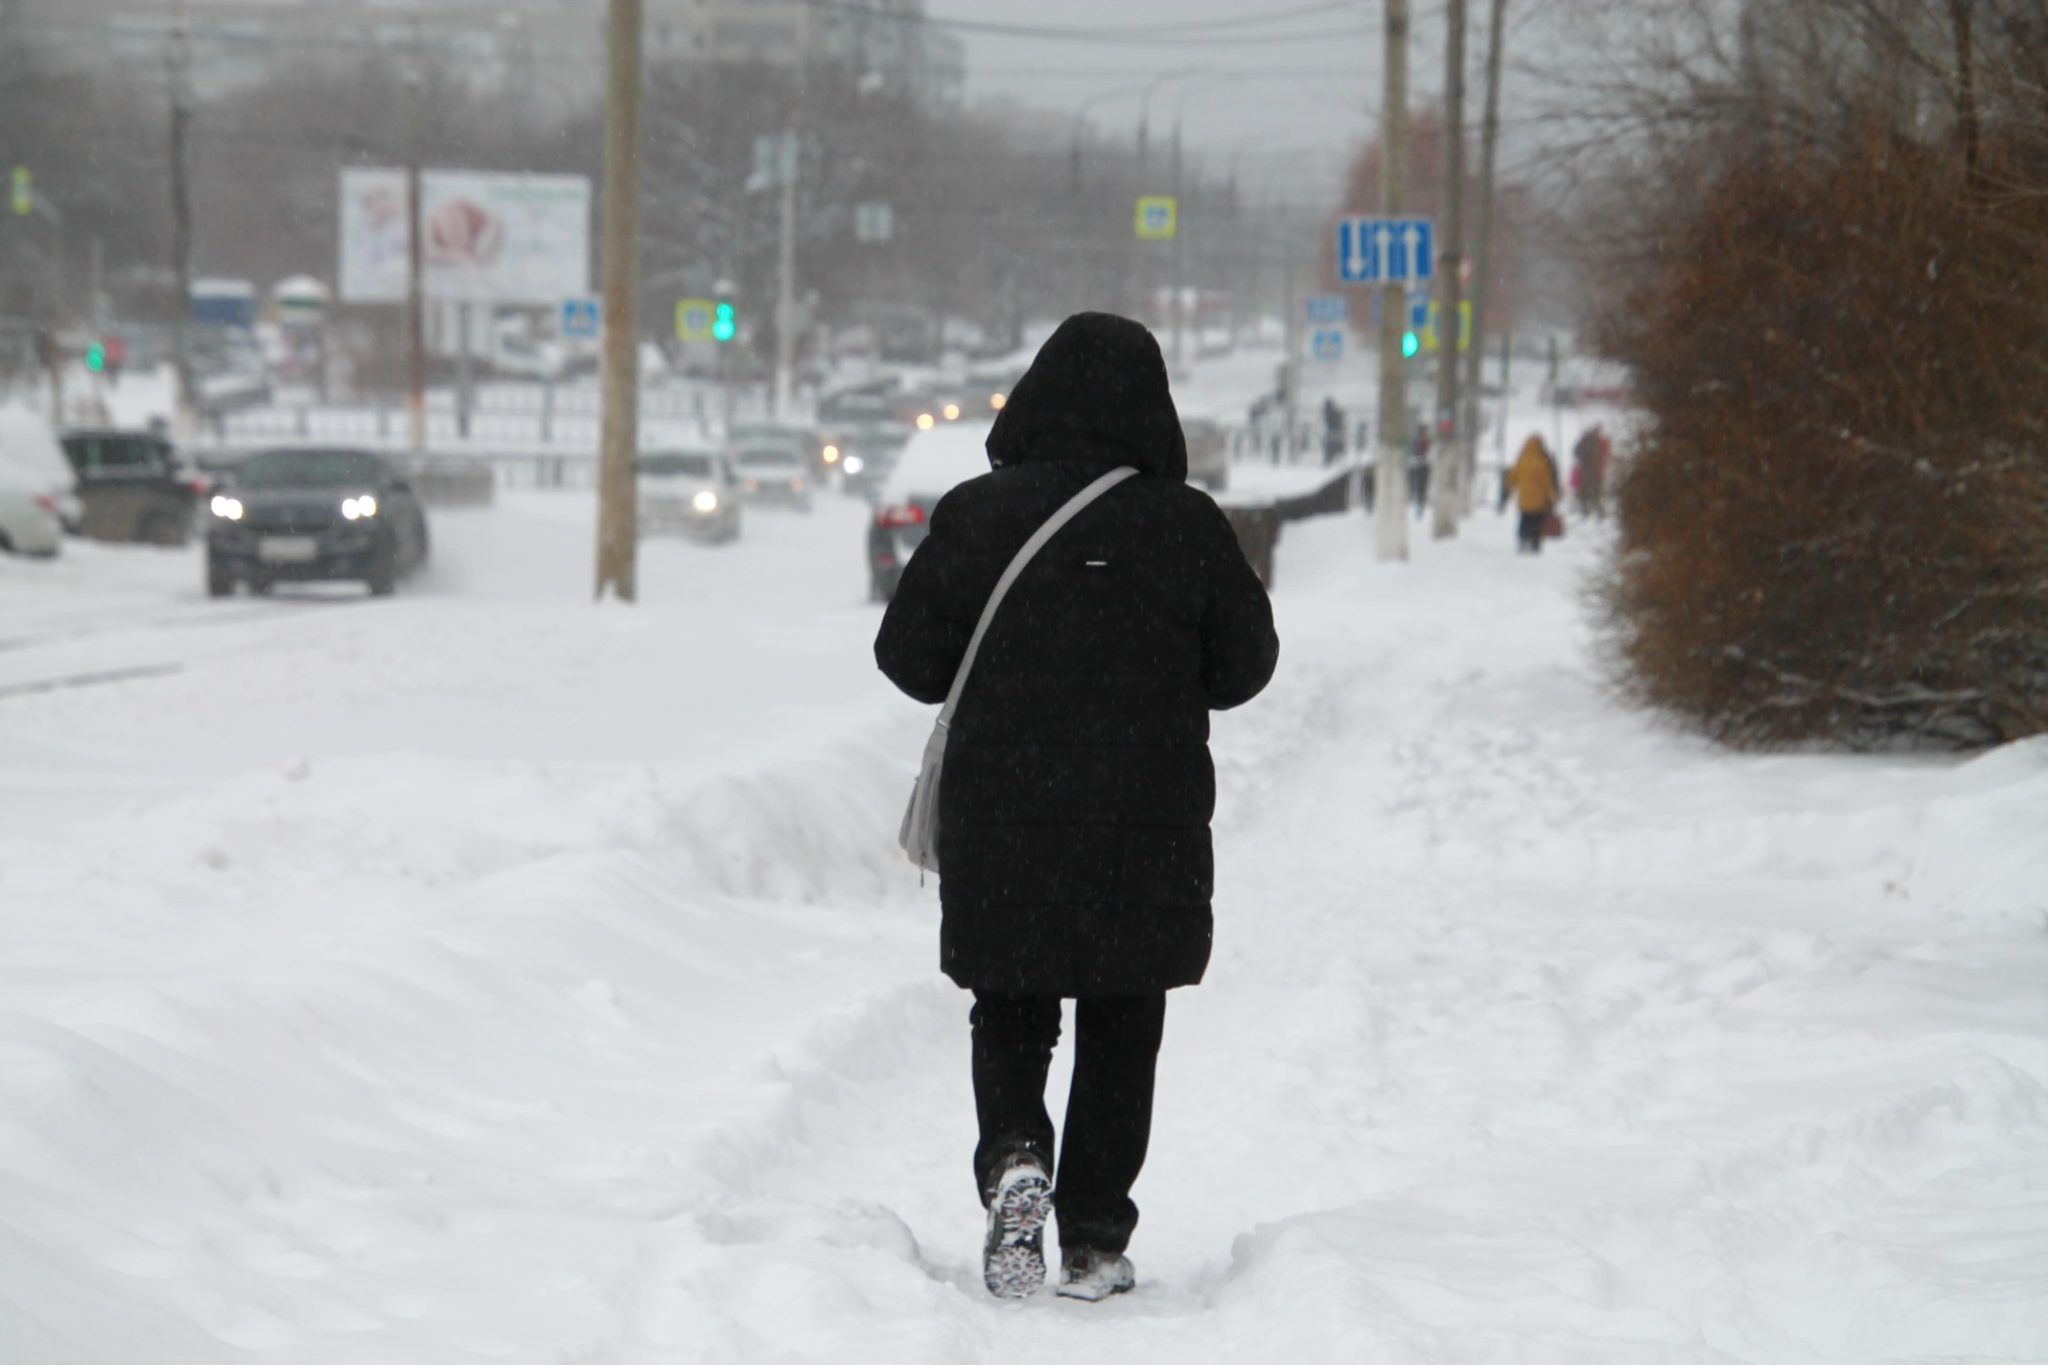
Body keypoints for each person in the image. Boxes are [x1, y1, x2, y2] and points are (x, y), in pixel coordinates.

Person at [874, 312, 1279, 1303]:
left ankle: (1015, 1159)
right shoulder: (1187, 526)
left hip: (1006, 816)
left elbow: (907, 659)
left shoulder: (978, 513)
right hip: (1144, 824)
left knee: (1009, 1006)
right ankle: (1094, 1238)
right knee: (1120, 1017)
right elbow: (1244, 669)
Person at [1504, 433, 1560, 553]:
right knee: (1536, 521)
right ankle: (1535, 542)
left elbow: (1513, 476)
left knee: (1524, 519)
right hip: (1539, 499)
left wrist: (1508, 488)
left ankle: (1523, 539)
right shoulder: (1543, 461)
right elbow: (1547, 481)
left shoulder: (1522, 458)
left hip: (1524, 499)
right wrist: (1552, 496)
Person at [1322, 396, 1346, 466]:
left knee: (1331, 450)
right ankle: (1330, 461)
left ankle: (1330, 461)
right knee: (1332, 450)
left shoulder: (1328, 412)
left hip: (1333, 433)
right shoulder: (1331, 412)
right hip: (1334, 433)